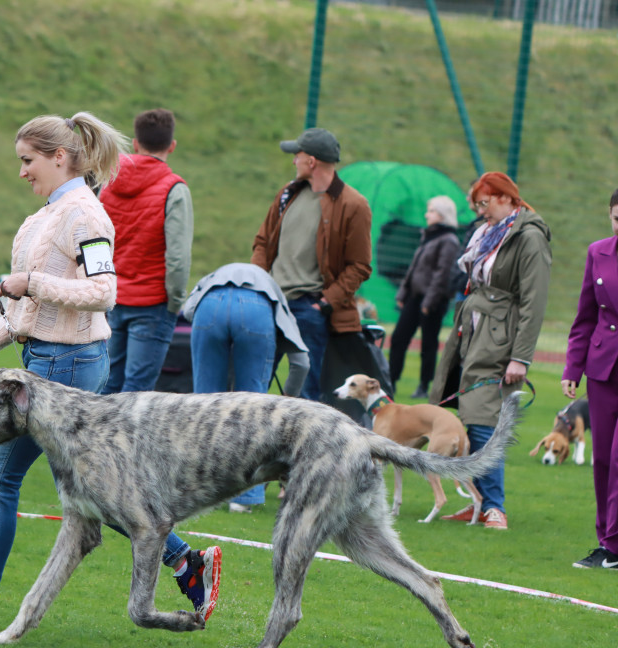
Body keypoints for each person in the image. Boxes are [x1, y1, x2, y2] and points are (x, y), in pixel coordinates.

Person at [0, 112, 220, 632]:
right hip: (43, 363)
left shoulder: (85, 215)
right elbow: (24, 313)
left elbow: (104, 293)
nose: (22, 172)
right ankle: (185, 561)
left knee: (1, 478)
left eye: (28, 161)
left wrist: (32, 282)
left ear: (59, 157)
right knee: (97, 490)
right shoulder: (50, 215)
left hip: (68, 369)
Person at [431, 172, 552, 531]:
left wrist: (521, 357)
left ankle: (494, 508)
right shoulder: (488, 232)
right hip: (473, 328)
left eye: (486, 203)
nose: (481, 212)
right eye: (477, 205)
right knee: (467, 416)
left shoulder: (529, 237)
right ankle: (479, 502)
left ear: (506, 198)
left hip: (500, 337)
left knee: (483, 419)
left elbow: (534, 301)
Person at [250, 128, 372, 401]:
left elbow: (360, 266)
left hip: (309, 310)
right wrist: (258, 283)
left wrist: (324, 303)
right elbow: (262, 243)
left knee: (305, 396)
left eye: (297, 155)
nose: (294, 160)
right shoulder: (287, 193)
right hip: (270, 302)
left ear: (312, 161)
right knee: (253, 385)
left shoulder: (354, 205)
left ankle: (302, 445)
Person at [181, 262, 309, 512]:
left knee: (203, 409)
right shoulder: (277, 300)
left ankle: (197, 492)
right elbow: (301, 363)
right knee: (253, 411)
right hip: (256, 310)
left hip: (207, 305)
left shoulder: (212, 276)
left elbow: (188, 311)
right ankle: (243, 500)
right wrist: (288, 398)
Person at [99, 108, 194, 393]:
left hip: (112, 297)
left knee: (107, 384)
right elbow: (178, 257)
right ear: (172, 146)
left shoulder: (108, 183)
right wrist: (176, 302)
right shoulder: (174, 190)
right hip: (152, 304)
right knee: (138, 391)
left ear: (136, 143)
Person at [561, 188, 618, 569]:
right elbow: (585, 317)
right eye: (617, 218)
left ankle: (614, 547)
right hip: (603, 367)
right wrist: (572, 368)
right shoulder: (598, 251)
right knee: (600, 460)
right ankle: (605, 541)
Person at [388, 196, 461, 400]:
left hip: (433, 301)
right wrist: (403, 292)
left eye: (431, 211)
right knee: (398, 338)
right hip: (414, 296)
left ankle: (423, 385)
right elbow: (415, 267)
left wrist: (429, 303)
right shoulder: (428, 235)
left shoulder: (449, 240)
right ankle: (391, 380)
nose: (426, 214)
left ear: (442, 214)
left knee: (428, 345)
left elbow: (442, 274)